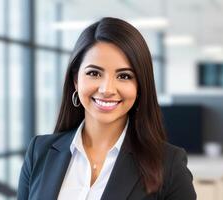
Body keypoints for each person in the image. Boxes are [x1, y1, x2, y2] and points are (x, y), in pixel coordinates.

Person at [17, 17, 196, 200]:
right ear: (76, 80)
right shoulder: (39, 152)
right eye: (94, 73)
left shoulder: (168, 165)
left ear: (140, 85)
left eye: (124, 76)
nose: (107, 90)